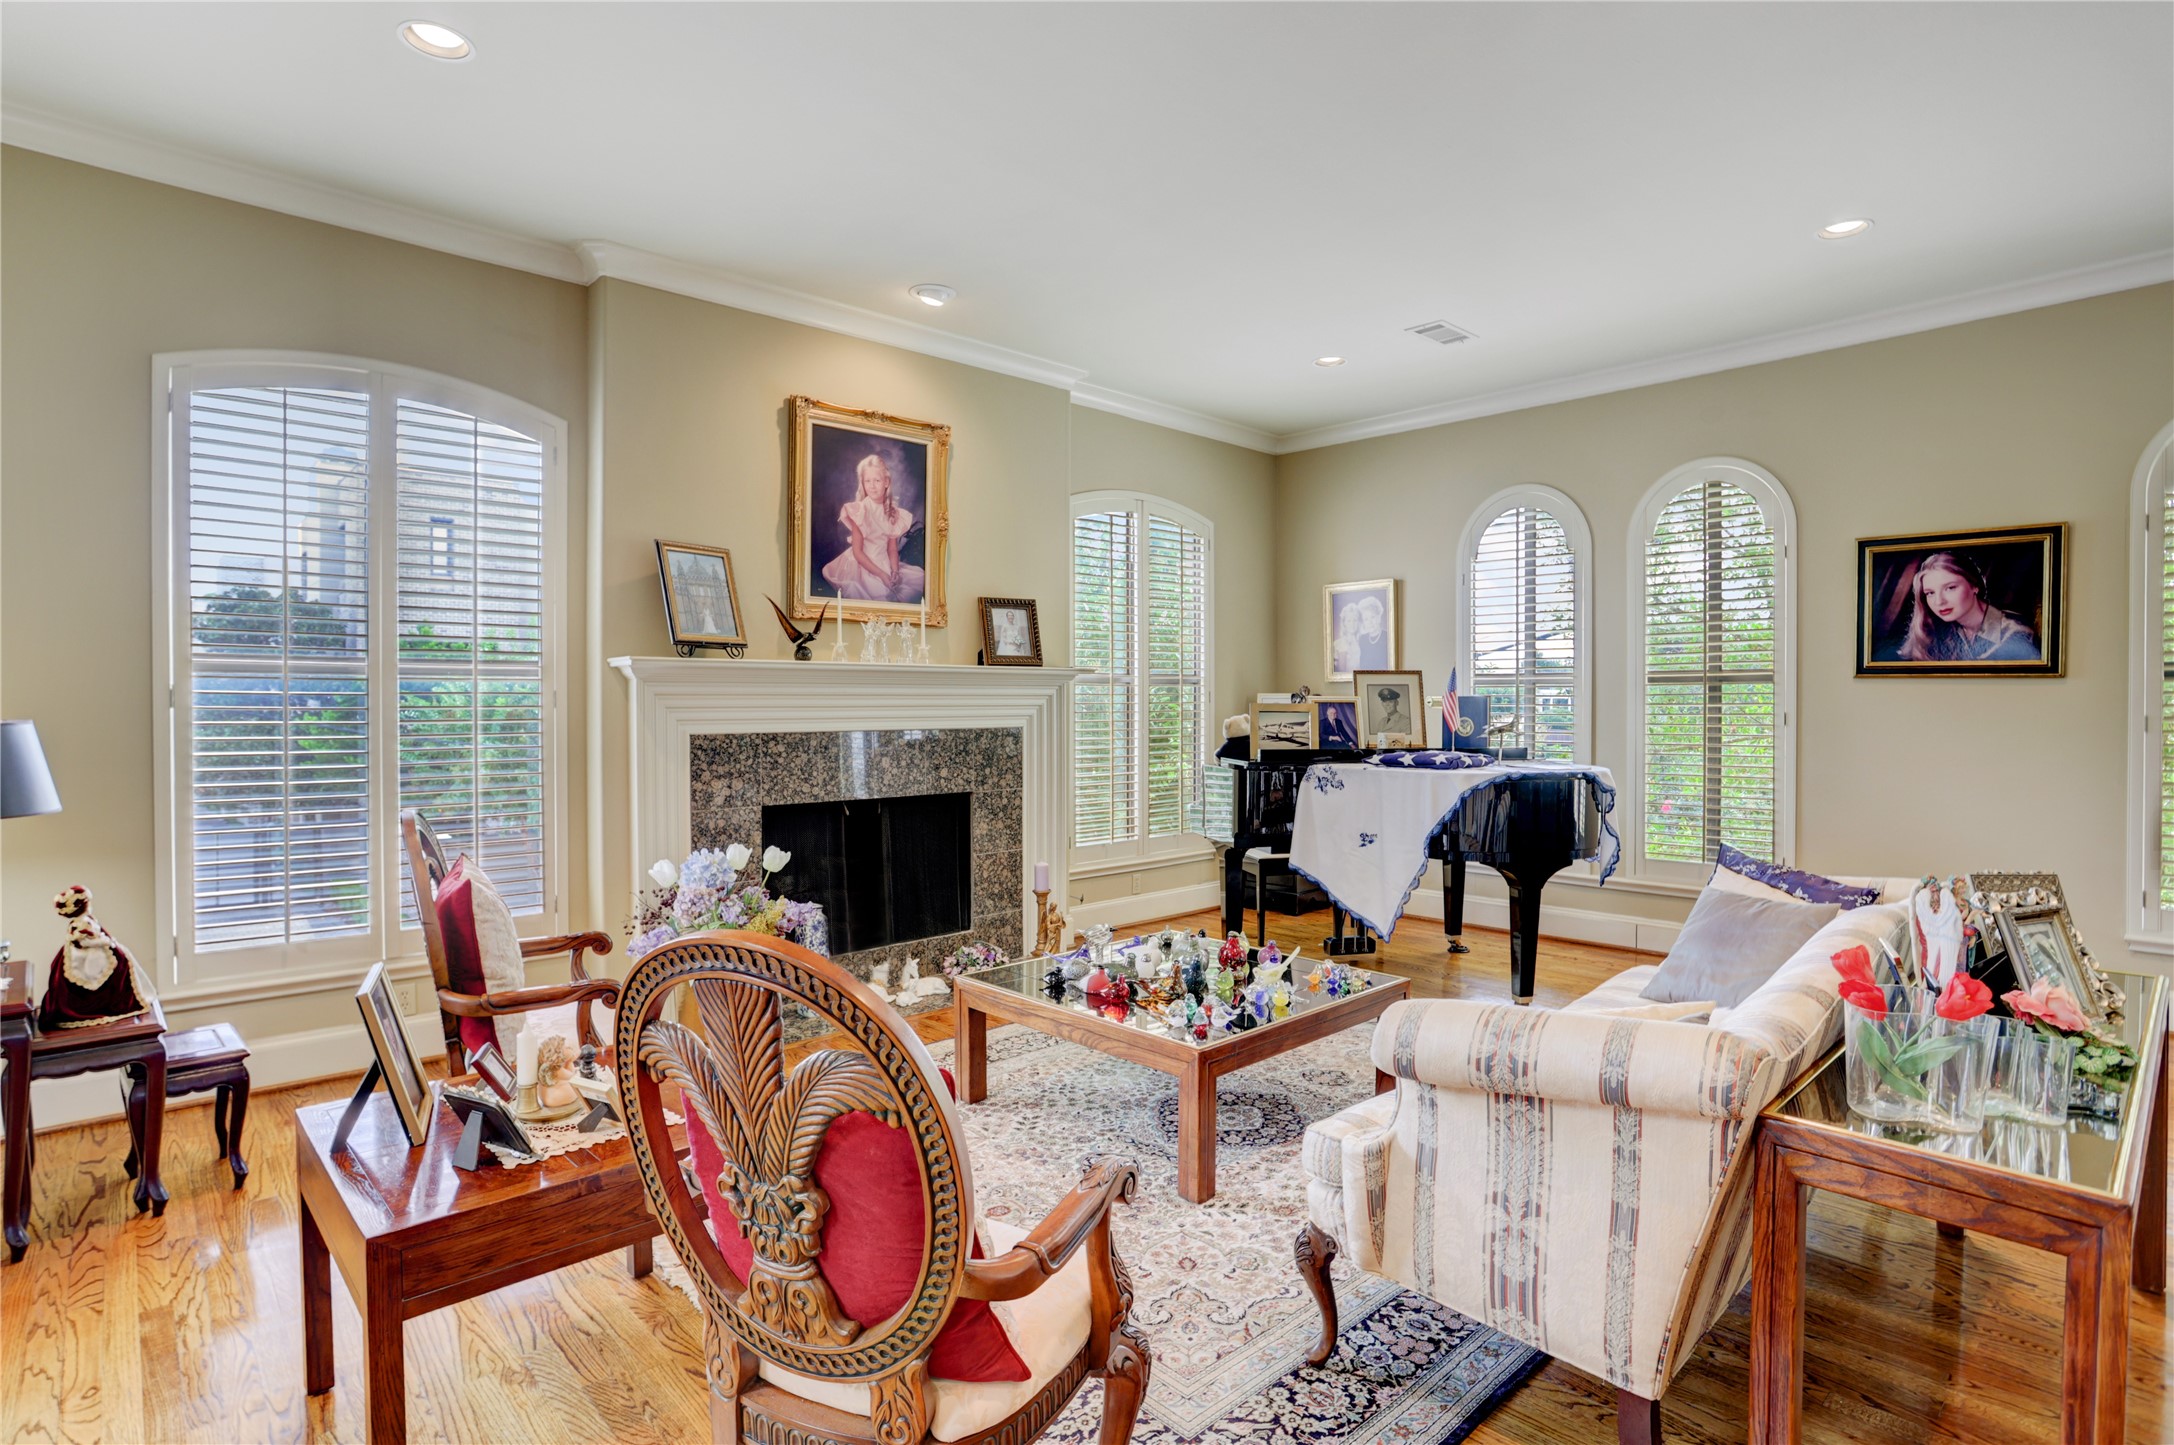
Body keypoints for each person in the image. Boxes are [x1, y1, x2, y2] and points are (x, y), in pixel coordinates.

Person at [1896, 551, 2038, 662]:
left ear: (1974, 585)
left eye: (1950, 588)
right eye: (1930, 593)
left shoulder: (2016, 633)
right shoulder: (1941, 631)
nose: (1939, 601)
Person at [821, 452, 925, 603]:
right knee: (877, 594)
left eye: (877, 480)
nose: (872, 485)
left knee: (917, 581)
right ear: (862, 483)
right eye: (867, 481)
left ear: (886, 482)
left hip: (883, 561)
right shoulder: (860, 511)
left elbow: (891, 549)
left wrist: (894, 570)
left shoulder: (892, 512)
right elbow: (858, 552)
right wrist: (881, 575)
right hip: (862, 563)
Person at [1332, 592, 1385, 673]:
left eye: (1355, 620)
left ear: (1359, 622)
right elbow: (1341, 672)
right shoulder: (1340, 644)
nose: (1352, 624)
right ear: (1344, 623)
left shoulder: (1362, 640)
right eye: (1349, 620)